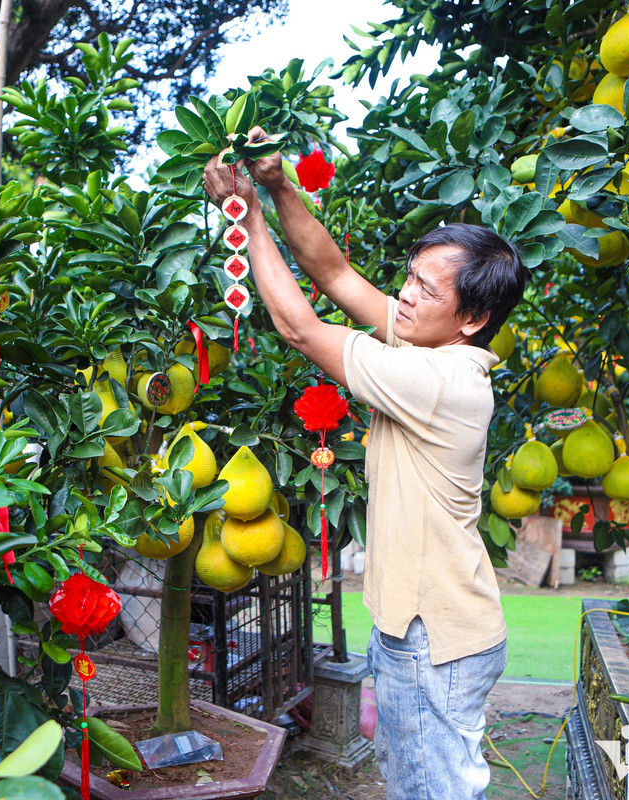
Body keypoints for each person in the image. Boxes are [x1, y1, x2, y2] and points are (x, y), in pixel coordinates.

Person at [202, 132, 529, 800]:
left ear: (472, 318)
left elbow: (299, 326)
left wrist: (251, 217)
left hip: (433, 641)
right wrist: (278, 184)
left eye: (424, 289)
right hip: (426, 629)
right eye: (409, 278)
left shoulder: (436, 380)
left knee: (431, 791)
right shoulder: (427, 342)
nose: (405, 296)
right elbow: (336, 276)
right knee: (419, 780)